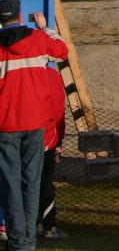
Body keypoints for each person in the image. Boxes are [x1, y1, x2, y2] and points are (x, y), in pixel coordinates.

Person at [0, 0, 69, 251]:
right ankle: (28, 241)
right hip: (35, 123)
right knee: (32, 182)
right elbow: (62, 50)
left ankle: (17, 241)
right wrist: (44, 28)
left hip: (6, 124)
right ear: (20, 16)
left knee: (10, 184)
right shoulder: (39, 40)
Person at [37, 56, 66, 241]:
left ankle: (29, 224)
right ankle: (47, 226)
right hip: (47, 136)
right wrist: (59, 141)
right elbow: (58, 110)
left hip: (16, 134)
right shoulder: (52, 76)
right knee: (45, 182)